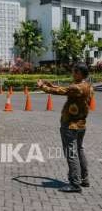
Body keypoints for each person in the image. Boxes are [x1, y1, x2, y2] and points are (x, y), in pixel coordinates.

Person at [37, 62, 92, 193]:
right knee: (79, 150)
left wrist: (43, 87)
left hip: (70, 125)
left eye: (74, 71)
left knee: (71, 153)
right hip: (81, 125)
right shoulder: (88, 86)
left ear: (79, 73)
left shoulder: (77, 88)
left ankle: (75, 183)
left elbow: (62, 91)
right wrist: (52, 84)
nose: (72, 73)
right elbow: (66, 89)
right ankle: (84, 179)